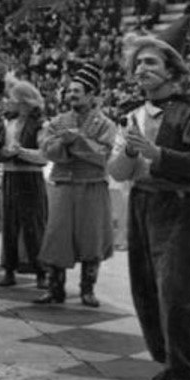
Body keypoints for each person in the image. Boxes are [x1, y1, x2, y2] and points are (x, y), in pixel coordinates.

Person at [109, 17, 190, 380]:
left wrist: (157, 154)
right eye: (138, 63)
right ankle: (167, 363)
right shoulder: (132, 113)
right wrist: (127, 152)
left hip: (178, 205)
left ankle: (184, 375)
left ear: (172, 71)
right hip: (142, 201)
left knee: (175, 292)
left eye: (151, 63)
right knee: (146, 290)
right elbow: (118, 172)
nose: (141, 69)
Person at [36, 62, 117, 306]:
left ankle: (87, 290)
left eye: (77, 91)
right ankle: (55, 288)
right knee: (57, 236)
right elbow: (47, 150)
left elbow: (104, 155)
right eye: (69, 91)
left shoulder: (105, 124)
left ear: (91, 95)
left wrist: (77, 141)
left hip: (92, 186)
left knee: (91, 238)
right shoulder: (58, 121)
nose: (71, 95)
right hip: (63, 185)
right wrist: (66, 144)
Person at [0, 77, 49, 289]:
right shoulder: (7, 122)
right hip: (10, 176)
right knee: (9, 224)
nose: (9, 103)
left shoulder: (41, 124)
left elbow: (44, 156)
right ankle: (9, 269)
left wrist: (21, 152)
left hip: (30, 177)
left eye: (13, 99)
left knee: (34, 225)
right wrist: (5, 153)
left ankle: (41, 271)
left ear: (24, 101)